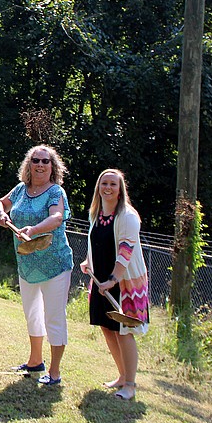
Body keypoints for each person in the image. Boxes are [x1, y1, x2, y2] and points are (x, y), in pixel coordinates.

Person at [0, 145, 73, 386]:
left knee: (54, 317)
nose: (39, 164)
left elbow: (57, 218)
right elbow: (0, 202)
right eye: (35, 160)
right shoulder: (20, 190)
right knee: (32, 315)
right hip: (27, 264)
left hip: (55, 264)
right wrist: (1, 215)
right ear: (28, 165)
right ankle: (35, 361)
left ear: (52, 167)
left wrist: (35, 229)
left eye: (45, 161)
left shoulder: (55, 192)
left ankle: (55, 373)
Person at [80, 169, 149, 401]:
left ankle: (130, 384)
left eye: (113, 184)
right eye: (104, 183)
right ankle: (121, 376)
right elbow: (96, 243)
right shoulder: (96, 214)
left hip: (122, 282)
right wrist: (88, 262)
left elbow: (126, 251)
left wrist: (114, 279)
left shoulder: (128, 216)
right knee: (107, 328)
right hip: (101, 281)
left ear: (120, 190)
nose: (107, 188)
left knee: (124, 331)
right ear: (98, 187)